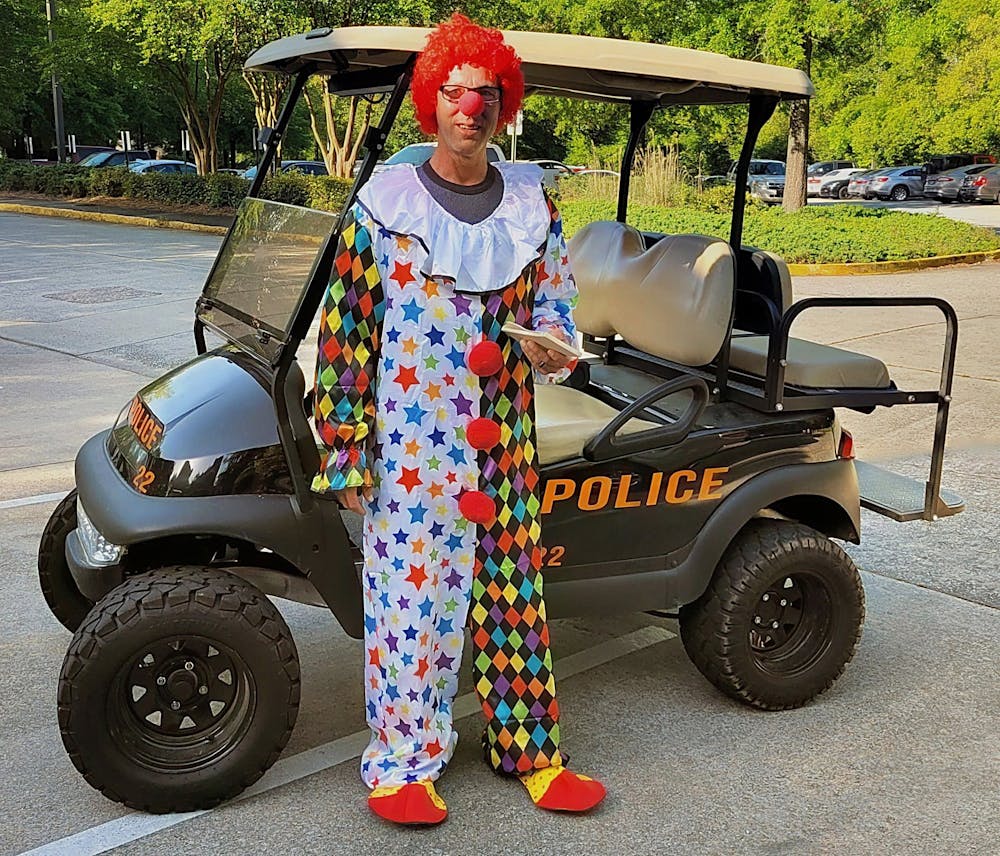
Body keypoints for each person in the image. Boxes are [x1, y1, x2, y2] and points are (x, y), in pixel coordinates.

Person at [312, 13, 606, 826]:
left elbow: (558, 305)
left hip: (504, 447)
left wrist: (558, 348)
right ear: (430, 101)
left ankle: (533, 752)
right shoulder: (383, 207)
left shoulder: (531, 205)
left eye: (486, 94)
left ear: (503, 105)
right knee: (412, 604)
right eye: (454, 91)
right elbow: (346, 339)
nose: (469, 108)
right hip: (410, 447)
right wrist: (344, 452)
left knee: (514, 599)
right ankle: (405, 764)